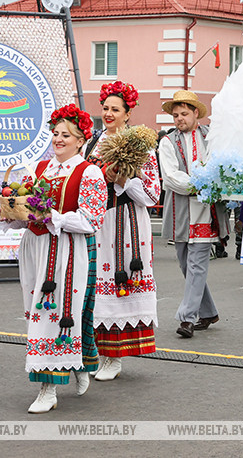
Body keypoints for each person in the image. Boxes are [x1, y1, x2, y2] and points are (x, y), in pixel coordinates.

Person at [5, 105, 105, 413]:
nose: (58, 140)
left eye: (66, 135)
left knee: (52, 317)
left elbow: (91, 221)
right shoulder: (40, 168)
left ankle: (48, 388)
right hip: (35, 249)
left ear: (80, 140)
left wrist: (53, 216)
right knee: (39, 316)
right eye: (56, 133)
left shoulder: (89, 172)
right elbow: (27, 215)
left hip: (65, 252)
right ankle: (83, 361)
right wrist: (13, 212)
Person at [84, 81, 159, 381]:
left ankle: (114, 357)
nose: (109, 113)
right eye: (105, 108)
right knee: (91, 284)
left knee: (117, 281)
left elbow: (153, 195)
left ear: (128, 114)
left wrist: (124, 179)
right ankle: (95, 352)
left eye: (116, 109)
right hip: (96, 221)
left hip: (125, 224)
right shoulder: (93, 142)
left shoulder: (140, 147)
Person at [158, 90, 229, 339]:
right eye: (176, 115)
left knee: (197, 264)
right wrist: (200, 185)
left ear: (196, 113)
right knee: (185, 264)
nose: (179, 119)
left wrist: (211, 183)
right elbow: (170, 176)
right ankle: (208, 311)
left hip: (206, 211)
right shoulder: (167, 142)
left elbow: (218, 164)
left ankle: (187, 318)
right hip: (181, 210)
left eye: (184, 114)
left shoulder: (212, 137)